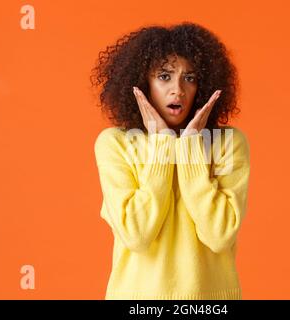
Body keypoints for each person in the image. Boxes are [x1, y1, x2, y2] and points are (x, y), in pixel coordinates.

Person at [90, 22, 251, 300]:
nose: (177, 89)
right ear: (143, 83)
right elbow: (137, 235)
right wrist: (163, 145)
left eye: (189, 78)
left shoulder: (227, 143)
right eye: (164, 77)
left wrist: (189, 148)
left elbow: (219, 235)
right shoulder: (115, 143)